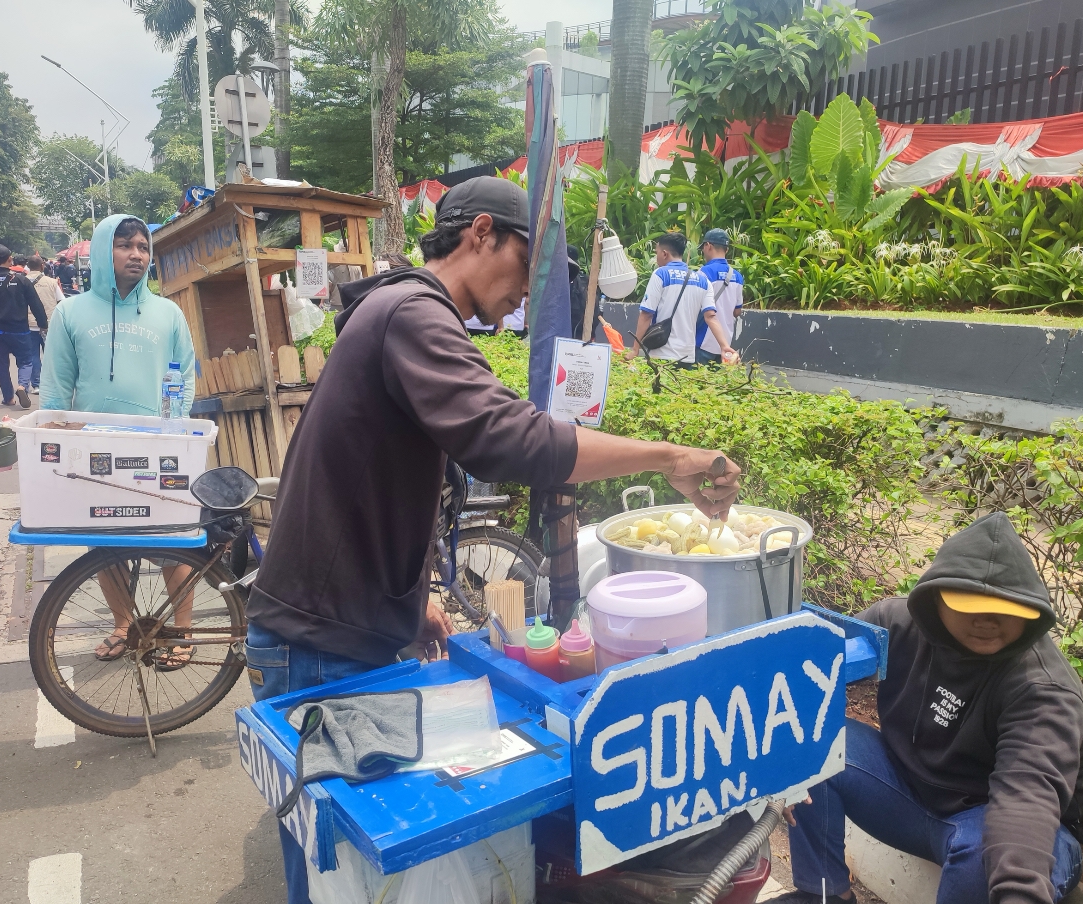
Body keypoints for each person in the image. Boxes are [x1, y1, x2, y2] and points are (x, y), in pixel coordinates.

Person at [243, 176, 742, 904]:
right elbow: (505, 437)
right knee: (333, 873)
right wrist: (668, 457)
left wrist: (410, 602)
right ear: (481, 233)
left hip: (331, 627)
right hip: (317, 643)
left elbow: (374, 481)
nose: (528, 297)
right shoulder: (415, 312)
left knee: (343, 872)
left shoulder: (396, 310)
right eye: (529, 268)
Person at [777, 511, 1083, 904]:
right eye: (970, 605)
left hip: (1003, 824)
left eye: (1007, 610)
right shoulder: (895, 625)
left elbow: (1027, 799)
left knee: (986, 857)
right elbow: (808, 677)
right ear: (937, 597)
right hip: (909, 792)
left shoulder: (1042, 688)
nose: (988, 621)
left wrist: (1019, 891)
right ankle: (824, 895)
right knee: (811, 740)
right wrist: (776, 765)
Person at [39, 214, 198, 667]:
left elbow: (184, 376)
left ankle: (181, 632)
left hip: (157, 448)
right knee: (105, 544)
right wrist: (52, 436)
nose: (136, 255)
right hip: (95, 450)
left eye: (143, 247)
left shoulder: (167, 312)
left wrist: (177, 425)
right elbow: (55, 387)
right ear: (104, 250)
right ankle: (123, 625)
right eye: (125, 245)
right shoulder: (71, 311)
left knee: (173, 540)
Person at [0, 244, 48, 409]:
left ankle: (8, 398)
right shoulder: (21, 280)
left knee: (2, 365)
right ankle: (22, 386)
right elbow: (36, 304)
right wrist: (43, 324)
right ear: (10, 259)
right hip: (20, 330)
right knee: (25, 361)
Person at [626, 232, 710, 367]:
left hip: (662, 353)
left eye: (657, 252)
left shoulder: (661, 274)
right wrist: (724, 346)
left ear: (664, 254)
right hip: (687, 355)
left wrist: (636, 348)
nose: (656, 256)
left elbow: (647, 314)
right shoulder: (702, 280)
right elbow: (711, 316)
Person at [695, 229, 743, 367]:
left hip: (703, 341)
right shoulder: (737, 276)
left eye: (703, 247)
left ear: (708, 246)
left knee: (699, 384)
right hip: (726, 344)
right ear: (726, 249)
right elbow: (737, 311)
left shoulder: (704, 273)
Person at [24, 255, 64, 393]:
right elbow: (61, 302)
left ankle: (36, 385)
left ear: (28, 266)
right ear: (42, 266)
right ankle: (52, 383)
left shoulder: (20, 281)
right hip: (49, 324)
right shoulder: (52, 282)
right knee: (51, 354)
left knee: (33, 354)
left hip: (28, 324)